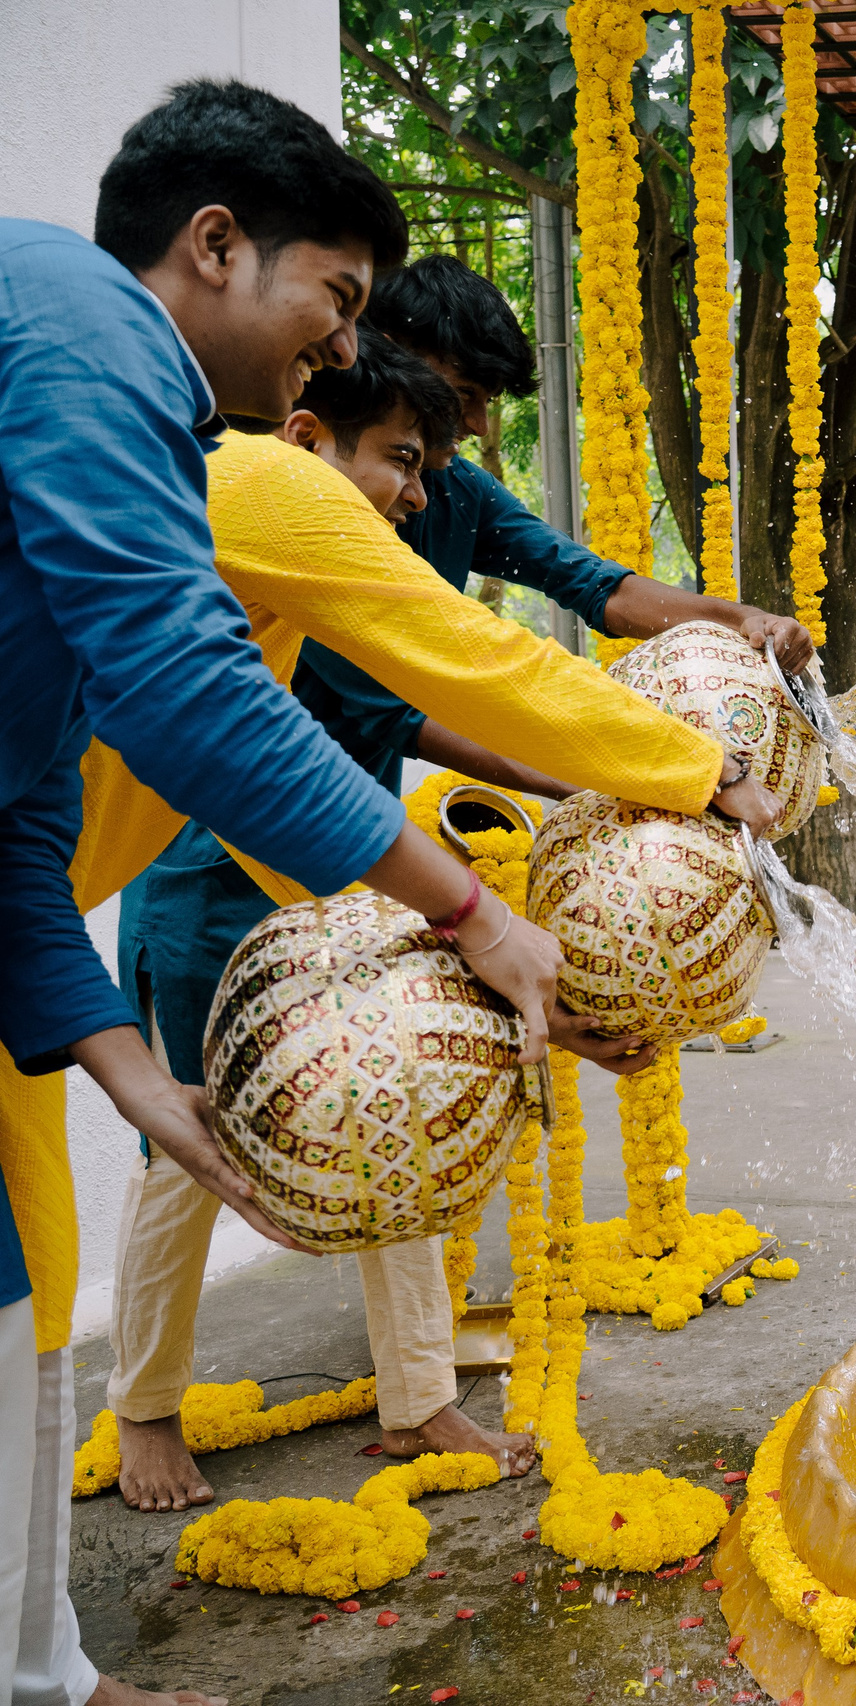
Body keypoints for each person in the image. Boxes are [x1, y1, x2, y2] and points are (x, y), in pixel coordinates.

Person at [0, 79, 560, 1706]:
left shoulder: (147, 433)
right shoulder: (84, 326)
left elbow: (12, 836)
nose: (336, 343)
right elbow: (194, 688)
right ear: (218, 244)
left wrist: (126, 1075)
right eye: (338, 300)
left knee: (29, 1283)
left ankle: (44, 1675)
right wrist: (467, 913)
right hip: (212, 919)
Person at [92, 328, 781, 1513]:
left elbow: (576, 591)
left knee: (400, 1097)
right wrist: (678, 770)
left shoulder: (403, 501)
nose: (428, 487)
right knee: (190, 1145)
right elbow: (471, 672)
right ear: (312, 421)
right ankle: (144, 1404)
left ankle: (415, 1396)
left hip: (347, 852)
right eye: (411, 449)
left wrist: (521, 974)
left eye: (446, 449)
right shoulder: (273, 499)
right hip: (219, 869)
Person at [294, 253, 813, 800]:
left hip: (346, 835)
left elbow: (593, 584)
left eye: (486, 403)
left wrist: (743, 621)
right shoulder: (306, 510)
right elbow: (432, 700)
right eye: (465, 392)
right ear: (381, 346)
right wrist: (640, 780)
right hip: (238, 851)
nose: (474, 423)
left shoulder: (454, 489)